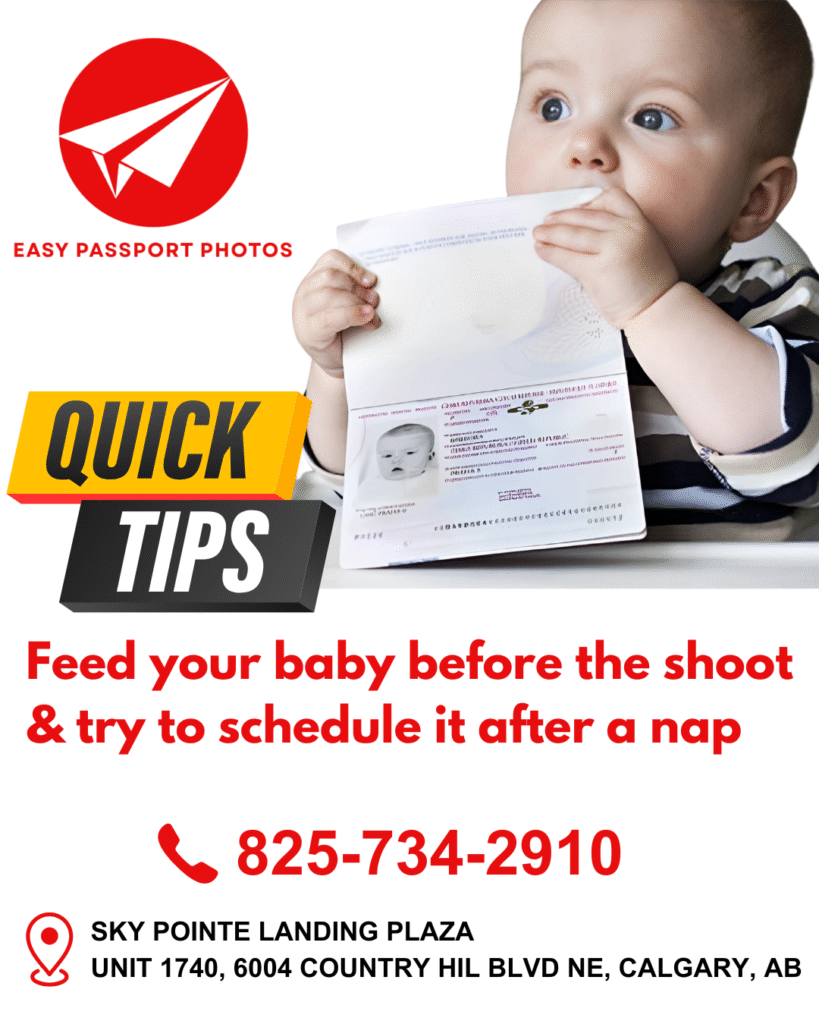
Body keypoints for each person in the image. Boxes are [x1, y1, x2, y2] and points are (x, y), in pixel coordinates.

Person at [293, 0, 819, 539]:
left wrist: (652, 306)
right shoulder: (470, 311)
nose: (585, 145)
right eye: (553, 108)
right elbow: (364, 489)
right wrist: (340, 374)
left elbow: (800, 460)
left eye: (652, 118)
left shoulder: (774, 301)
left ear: (754, 199)